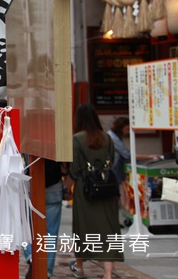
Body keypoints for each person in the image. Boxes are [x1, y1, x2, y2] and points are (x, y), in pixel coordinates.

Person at [66, 103, 123, 279]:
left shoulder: (76, 139)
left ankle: (79, 267)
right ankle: (108, 274)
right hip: (107, 189)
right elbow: (112, 161)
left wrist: (67, 189)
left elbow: (74, 170)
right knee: (109, 230)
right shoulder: (107, 138)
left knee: (82, 228)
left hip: (85, 190)